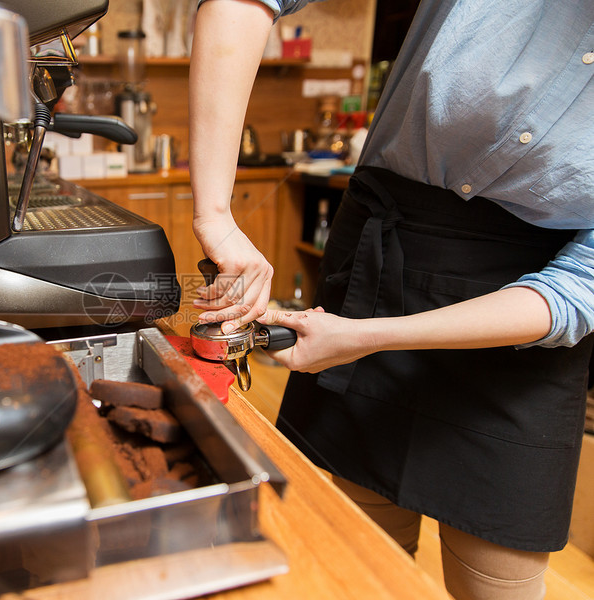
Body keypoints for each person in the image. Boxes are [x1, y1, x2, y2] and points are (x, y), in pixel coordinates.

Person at [188, 1, 594, 599]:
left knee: (500, 577)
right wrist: (215, 215)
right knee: (357, 566)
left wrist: (369, 337)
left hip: (523, 324)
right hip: (388, 255)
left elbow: (580, 287)